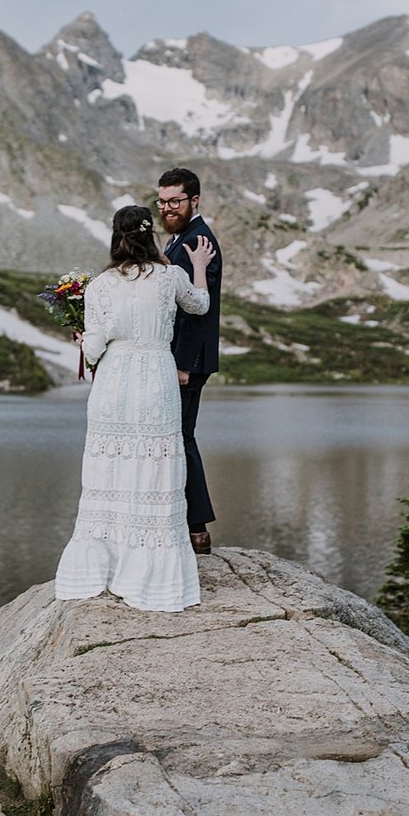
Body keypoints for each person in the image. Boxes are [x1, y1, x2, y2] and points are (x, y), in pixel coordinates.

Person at [55, 204, 214, 612]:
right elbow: (200, 306)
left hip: (113, 383)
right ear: (150, 236)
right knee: (153, 467)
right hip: (155, 380)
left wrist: (82, 342)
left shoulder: (100, 286)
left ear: (115, 237)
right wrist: (196, 265)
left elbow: (93, 348)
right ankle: (150, 573)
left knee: (112, 468)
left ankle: (102, 567)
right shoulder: (169, 277)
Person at [158, 167, 222, 555]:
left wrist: (182, 364)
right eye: (162, 201)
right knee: (177, 437)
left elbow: (197, 311)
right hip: (180, 359)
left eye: (175, 201)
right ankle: (187, 523)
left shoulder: (198, 241)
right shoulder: (179, 238)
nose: (167, 208)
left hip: (188, 363)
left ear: (194, 200)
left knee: (181, 437)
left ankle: (197, 529)